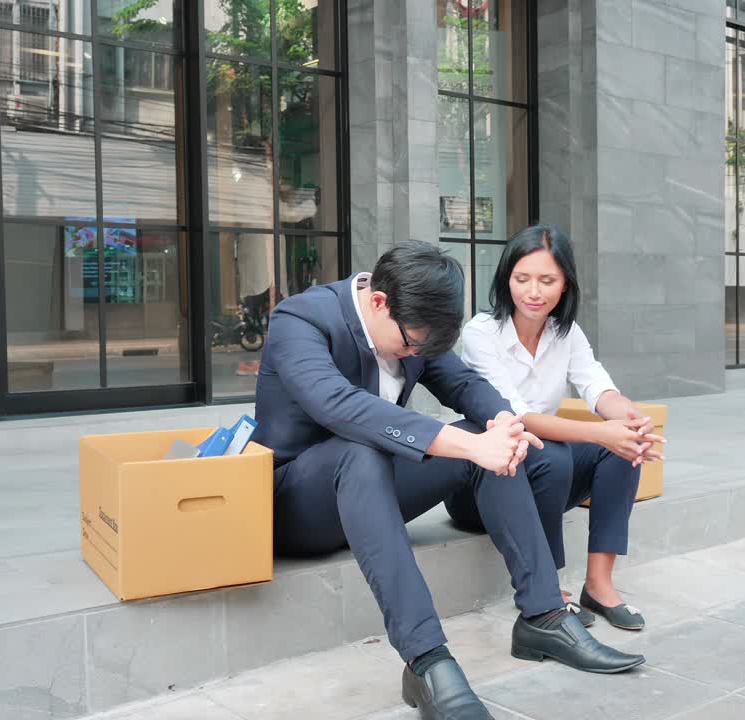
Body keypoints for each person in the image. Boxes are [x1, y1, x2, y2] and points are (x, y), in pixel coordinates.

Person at [256, 241, 643, 720]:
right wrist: (465, 444)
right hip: (297, 505)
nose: (416, 354)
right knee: (363, 450)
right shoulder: (302, 320)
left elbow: (462, 385)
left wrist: (503, 424)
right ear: (379, 303)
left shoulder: (417, 324)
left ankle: (543, 615)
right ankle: (426, 660)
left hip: (373, 490)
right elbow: (340, 406)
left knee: (484, 435)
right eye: (411, 345)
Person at [446, 225, 665, 632]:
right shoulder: (482, 332)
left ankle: (598, 585)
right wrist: (604, 432)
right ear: (506, 278)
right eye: (522, 279)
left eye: (547, 280)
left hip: (543, 475)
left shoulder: (567, 334)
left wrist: (632, 421)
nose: (533, 291)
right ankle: (550, 589)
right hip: (485, 487)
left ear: (565, 285)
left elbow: (599, 388)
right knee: (557, 451)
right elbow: (519, 415)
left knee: (621, 449)